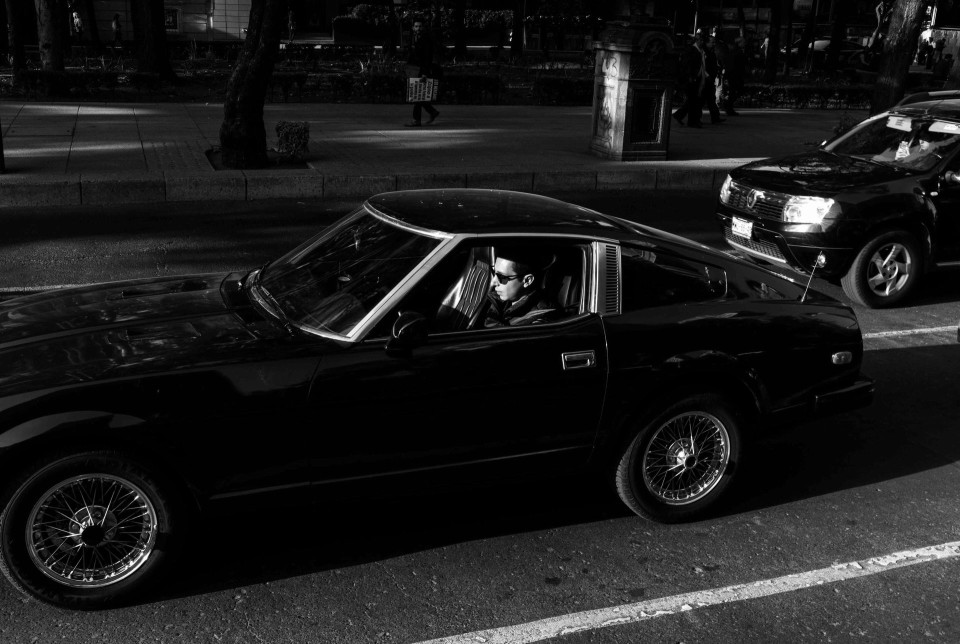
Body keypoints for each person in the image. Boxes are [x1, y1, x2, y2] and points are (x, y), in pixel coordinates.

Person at [484, 246, 559, 328]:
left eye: (502, 276)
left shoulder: (540, 321)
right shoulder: (500, 300)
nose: (493, 282)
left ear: (527, 281)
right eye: (494, 273)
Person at [404, 19, 440, 127]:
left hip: (421, 70)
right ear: (413, 28)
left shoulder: (426, 40)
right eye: (416, 26)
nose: (418, 28)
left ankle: (417, 120)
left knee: (417, 96)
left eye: (420, 26)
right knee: (417, 94)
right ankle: (432, 111)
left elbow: (427, 58)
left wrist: (424, 73)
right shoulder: (412, 38)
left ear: (423, 28)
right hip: (413, 69)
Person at [672, 34, 706, 128]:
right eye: (700, 40)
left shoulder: (699, 50)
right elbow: (687, 64)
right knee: (693, 101)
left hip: (696, 77)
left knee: (692, 100)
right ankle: (692, 121)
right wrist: (690, 76)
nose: (702, 42)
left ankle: (681, 116)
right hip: (691, 79)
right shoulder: (692, 50)